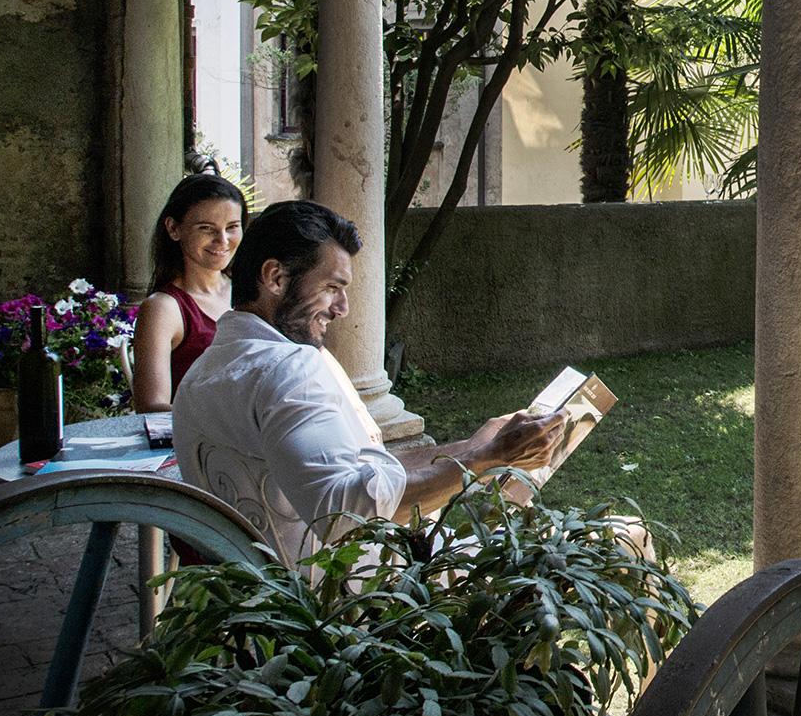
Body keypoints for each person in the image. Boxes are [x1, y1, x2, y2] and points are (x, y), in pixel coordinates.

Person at [174, 200, 563, 571]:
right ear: (275, 277)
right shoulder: (288, 368)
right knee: (607, 540)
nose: (342, 308)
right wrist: (488, 459)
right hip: (360, 604)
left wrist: (473, 447)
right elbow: (341, 513)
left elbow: (356, 467)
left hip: (273, 602)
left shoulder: (204, 371)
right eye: (331, 287)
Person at [132, 173, 246, 412]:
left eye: (232, 227)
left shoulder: (250, 290)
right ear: (174, 228)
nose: (222, 240)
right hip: (201, 444)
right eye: (206, 228)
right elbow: (152, 406)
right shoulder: (164, 308)